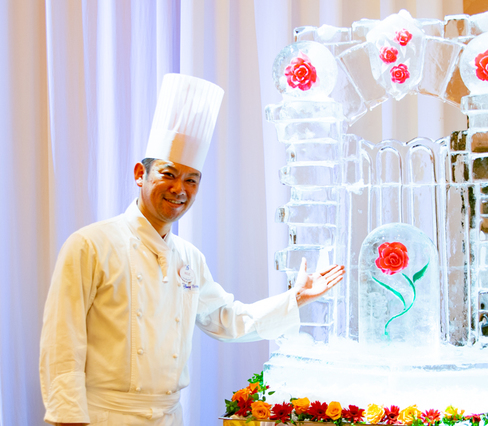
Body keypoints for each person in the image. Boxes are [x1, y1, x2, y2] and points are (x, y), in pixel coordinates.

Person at [39, 74, 344, 426]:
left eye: (191, 180)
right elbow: (62, 341)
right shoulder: (90, 245)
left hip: (170, 416)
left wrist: (296, 298)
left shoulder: (189, 257)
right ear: (140, 173)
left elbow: (226, 319)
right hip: (104, 416)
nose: (179, 189)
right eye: (168, 174)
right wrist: (68, 419)